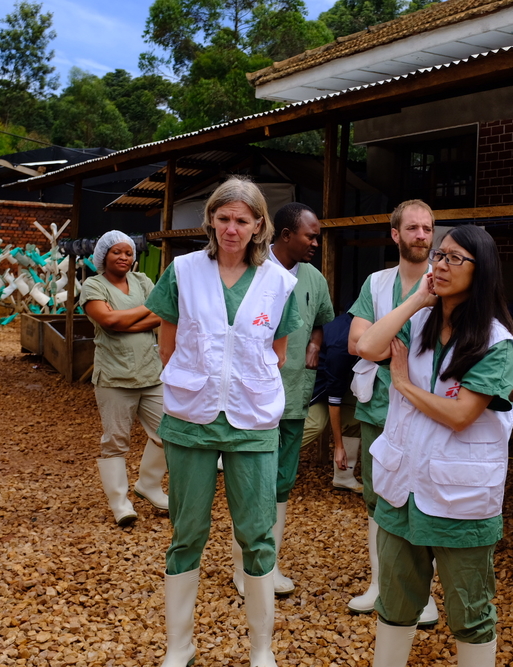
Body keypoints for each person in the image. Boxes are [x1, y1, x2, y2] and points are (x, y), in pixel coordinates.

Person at [145, 177, 302, 667]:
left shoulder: (280, 282)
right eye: (224, 218)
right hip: (192, 416)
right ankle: (179, 646)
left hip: (252, 421)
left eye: (243, 219)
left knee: (256, 533)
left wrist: (241, 383)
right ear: (211, 219)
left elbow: (278, 352)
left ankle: (261, 649)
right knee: (186, 530)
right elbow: (166, 344)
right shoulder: (183, 271)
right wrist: (195, 380)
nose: (232, 228)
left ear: (259, 225)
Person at [357, 225, 513, 667]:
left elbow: (461, 414)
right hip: (402, 489)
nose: (440, 265)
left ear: (481, 270)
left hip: (460, 500)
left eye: (454, 259)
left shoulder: (496, 342)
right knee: (394, 603)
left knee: (469, 612)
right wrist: (418, 299)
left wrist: (402, 384)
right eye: (438, 257)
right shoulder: (419, 322)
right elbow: (368, 344)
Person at [233, 202, 333, 596]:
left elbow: (324, 321)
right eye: (311, 236)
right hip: (253, 399)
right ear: (286, 235)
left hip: (293, 397)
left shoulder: (314, 279)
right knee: (251, 483)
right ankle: (243, 569)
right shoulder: (253, 269)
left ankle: (267, 567)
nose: (315, 244)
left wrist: (314, 342)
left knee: (281, 484)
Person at [347, 199, 439, 624]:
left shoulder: (446, 280)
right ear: (395, 234)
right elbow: (356, 343)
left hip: (425, 406)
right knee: (377, 495)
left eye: (428, 228)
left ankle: (426, 595)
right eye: (413, 228)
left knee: (425, 493)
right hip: (378, 405)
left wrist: (381, 344)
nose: (422, 235)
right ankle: (380, 584)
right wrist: (392, 354)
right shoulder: (377, 283)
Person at [81, 231, 168, 527]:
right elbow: (107, 321)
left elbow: (163, 313)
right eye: (116, 252)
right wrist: (146, 311)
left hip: (150, 373)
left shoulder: (143, 281)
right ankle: (120, 502)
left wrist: (123, 320)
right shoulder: (94, 285)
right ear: (103, 255)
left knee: (168, 432)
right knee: (116, 441)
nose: (123, 257)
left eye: (128, 253)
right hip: (115, 377)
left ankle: (149, 486)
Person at [301, 310, 363, 493]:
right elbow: (334, 397)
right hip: (315, 386)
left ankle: (344, 476)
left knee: (354, 413)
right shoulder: (342, 342)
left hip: (339, 383)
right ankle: (251, 457)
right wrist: (338, 446)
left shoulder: (357, 318)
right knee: (315, 422)